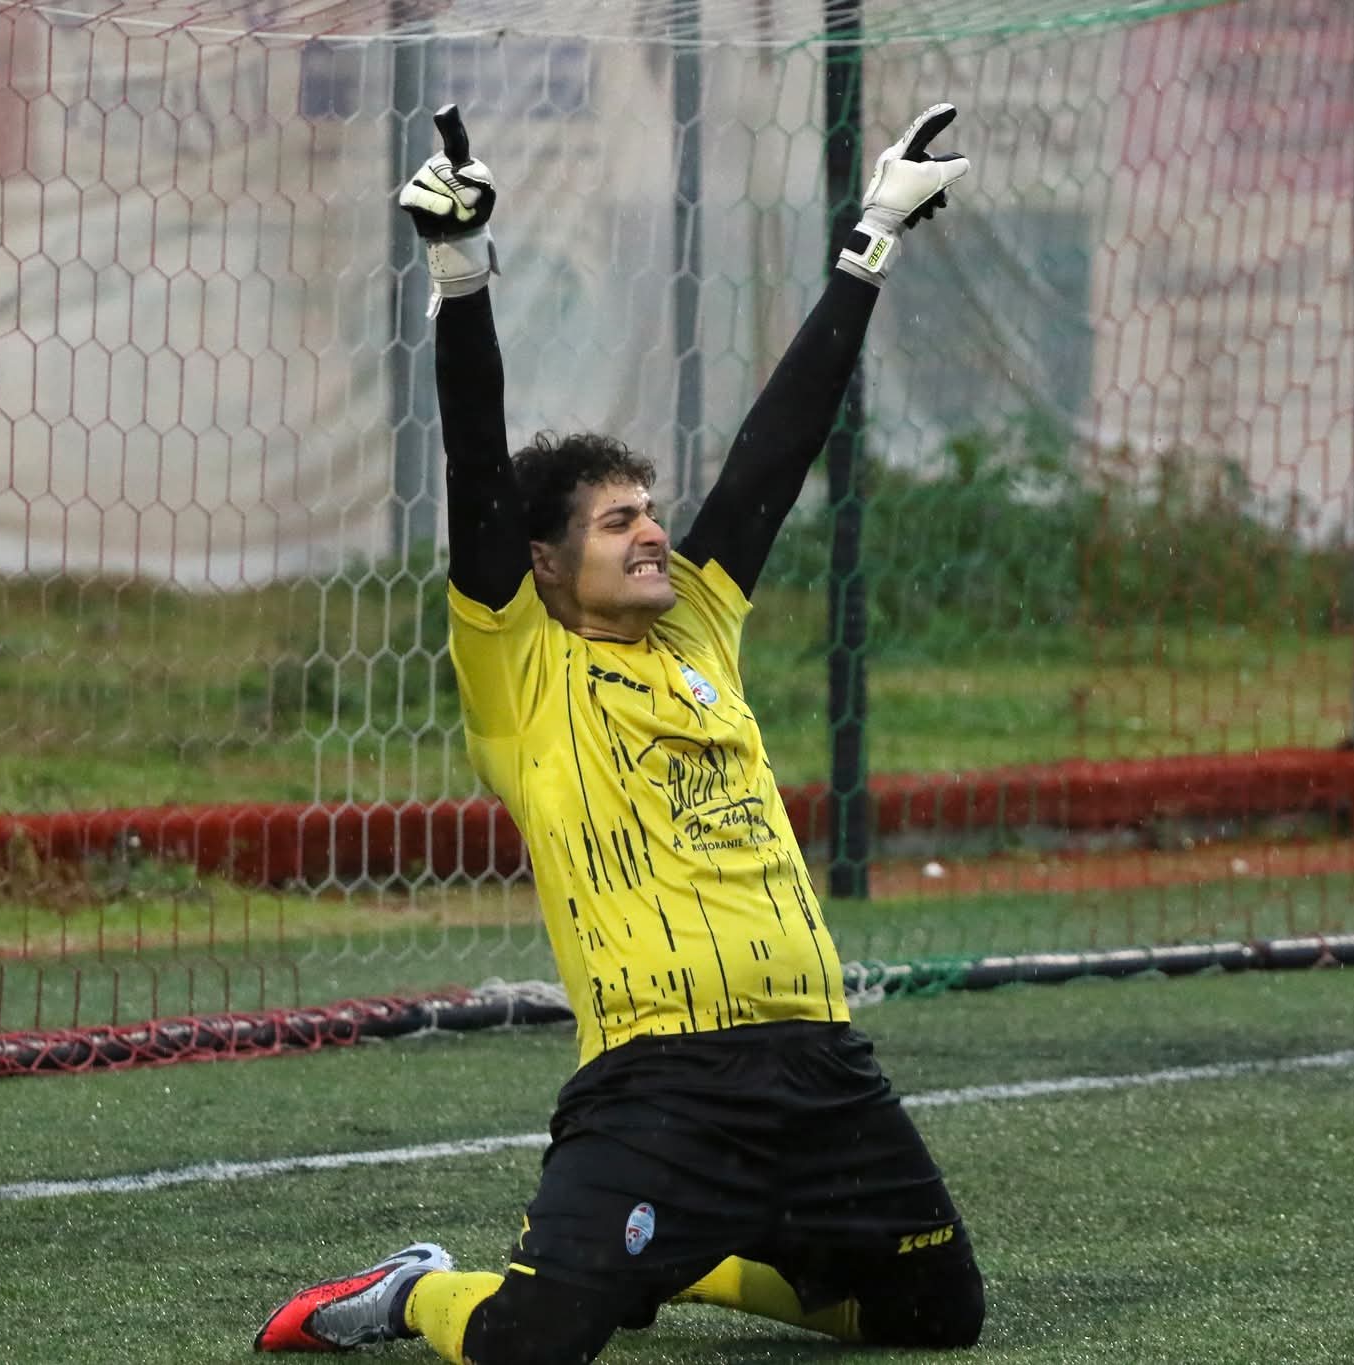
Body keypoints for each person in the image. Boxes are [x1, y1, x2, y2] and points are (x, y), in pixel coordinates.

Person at [255, 101, 983, 1362]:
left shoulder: (697, 625)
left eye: (648, 509)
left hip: (818, 1060)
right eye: (615, 521)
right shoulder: (520, 664)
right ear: (542, 562)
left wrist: (870, 239)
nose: (652, 532)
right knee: (532, 1340)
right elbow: (475, 465)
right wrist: (461, 273)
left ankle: (687, 1266)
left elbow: (772, 454)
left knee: (935, 1317)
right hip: (658, 1078)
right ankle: (412, 1292)